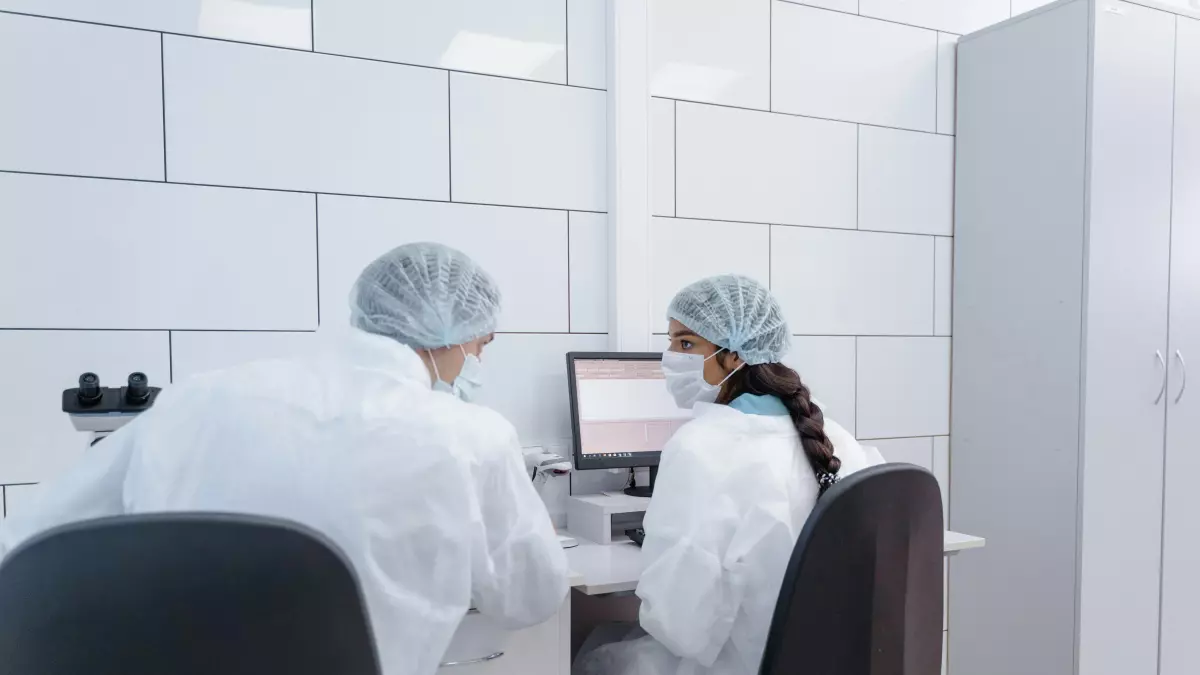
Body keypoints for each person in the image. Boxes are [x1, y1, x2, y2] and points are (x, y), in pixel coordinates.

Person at [0, 243, 570, 675]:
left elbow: (29, 542)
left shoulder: (197, 398)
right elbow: (532, 596)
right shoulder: (470, 435)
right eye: (481, 344)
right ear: (450, 336)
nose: (476, 360)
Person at [575, 274, 881, 675]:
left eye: (686, 343)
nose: (669, 357)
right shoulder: (831, 433)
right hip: (829, 660)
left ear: (735, 354)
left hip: (737, 664)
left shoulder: (701, 447)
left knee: (593, 650)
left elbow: (680, 628)